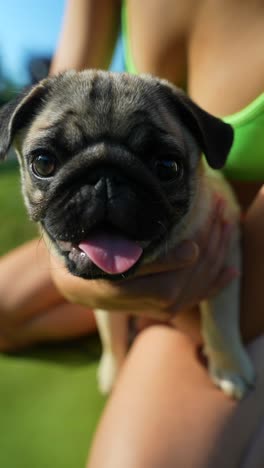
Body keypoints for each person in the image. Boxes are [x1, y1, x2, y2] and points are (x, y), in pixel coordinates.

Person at [0, 0, 264, 466]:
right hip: (123, 242)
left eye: (164, 166)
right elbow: (59, 85)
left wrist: (206, 332)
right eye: (46, 163)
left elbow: (236, 273)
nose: (105, 190)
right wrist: (79, 281)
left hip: (222, 259)